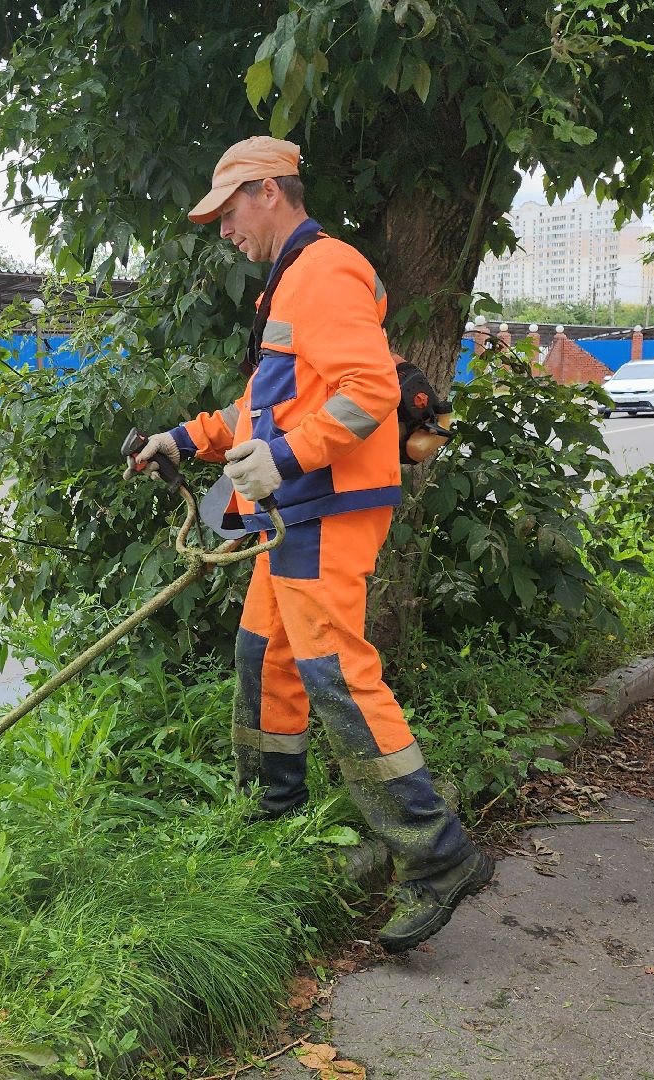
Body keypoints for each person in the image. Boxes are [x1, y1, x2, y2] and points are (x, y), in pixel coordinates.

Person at [131, 135, 493, 953]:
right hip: (291, 511)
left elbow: (366, 391)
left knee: (336, 673)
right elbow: (263, 412)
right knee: (266, 656)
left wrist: (286, 459)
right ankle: (272, 817)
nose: (222, 229)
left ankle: (438, 855)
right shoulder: (289, 282)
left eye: (227, 211)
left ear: (268, 191)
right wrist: (181, 440)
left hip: (325, 508)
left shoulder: (323, 269)